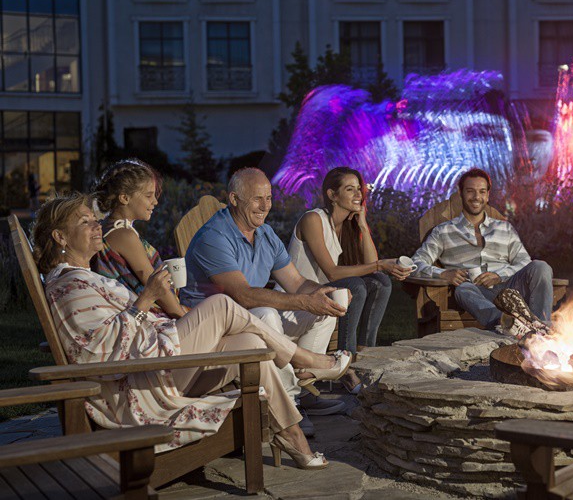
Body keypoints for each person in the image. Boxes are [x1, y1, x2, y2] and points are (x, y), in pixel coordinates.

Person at [33, 194, 351, 469]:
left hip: (155, 363)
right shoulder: (69, 287)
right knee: (221, 305)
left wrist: (158, 309)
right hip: (137, 385)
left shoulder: (82, 279)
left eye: (94, 218)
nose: (96, 225)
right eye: (85, 222)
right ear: (60, 237)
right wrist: (146, 299)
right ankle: (303, 360)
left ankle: (291, 433)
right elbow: (94, 352)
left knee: (250, 341)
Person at [180, 168, 349, 435]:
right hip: (218, 332)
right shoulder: (213, 237)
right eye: (257, 199)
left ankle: (302, 383)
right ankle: (290, 402)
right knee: (267, 313)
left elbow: (297, 283)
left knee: (327, 306)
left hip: (253, 319)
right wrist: (304, 302)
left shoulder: (266, 234)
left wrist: (323, 293)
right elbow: (243, 295)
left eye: (269, 198)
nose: (265, 206)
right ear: (234, 199)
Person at [288, 167, 411, 392]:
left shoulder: (346, 226)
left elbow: (374, 268)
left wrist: (362, 224)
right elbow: (332, 272)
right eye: (349, 189)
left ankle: (365, 357)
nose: (358, 194)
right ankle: (346, 363)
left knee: (381, 282)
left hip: (324, 289)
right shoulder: (313, 219)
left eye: (359, 189)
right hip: (300, 292)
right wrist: (380, 264)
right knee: (356, 286)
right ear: (332, 195)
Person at [411, 168, 554, 330]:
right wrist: (443, 273)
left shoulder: (504, 229)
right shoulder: (443, 231)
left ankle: (540, 328)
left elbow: (524, 262)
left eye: (482, 192)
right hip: (474, 291)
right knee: (462, 290)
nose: (476, 197)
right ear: (461, 193)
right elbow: (415, 264)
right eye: (470, 191)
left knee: (540, 266)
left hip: (509, 288)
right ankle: (505, 324)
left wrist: (499, 276)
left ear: (487, 195)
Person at [91, 159, 186, 319]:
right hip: (148, 318)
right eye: (149, 195)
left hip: (139, 313)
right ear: (124, 198)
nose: (155, 202)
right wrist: (182, 317)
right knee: (221, 307)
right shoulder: (124, 235)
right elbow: (157, 288)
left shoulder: (109, 227)